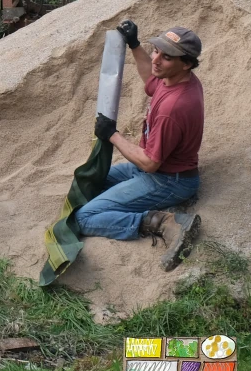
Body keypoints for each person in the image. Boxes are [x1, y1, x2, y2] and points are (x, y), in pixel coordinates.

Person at [74, 20, 205, 271]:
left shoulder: (173, 107)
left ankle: (162, 222)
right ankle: (158, 209)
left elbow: (149, 163)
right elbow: (151, 79)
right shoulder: (178, 79)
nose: (156, 60)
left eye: (166, 57)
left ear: (186, 63)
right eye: (156, 51)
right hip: (157, 172)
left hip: (168, 180)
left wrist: (112, 135)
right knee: (91, 179)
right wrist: (135, 44)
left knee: (84, 218)